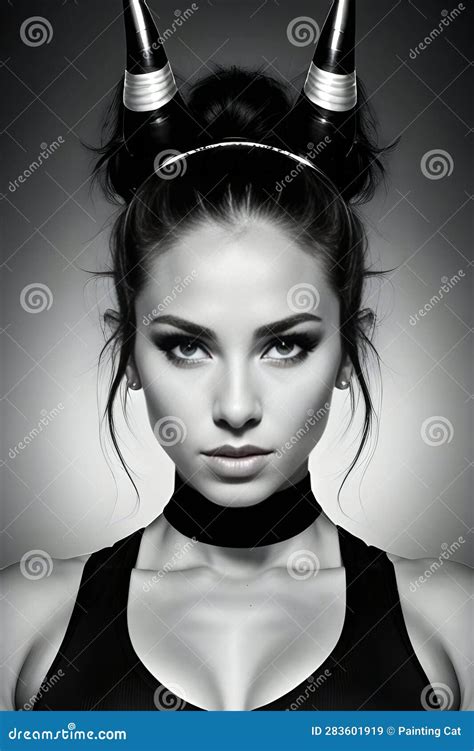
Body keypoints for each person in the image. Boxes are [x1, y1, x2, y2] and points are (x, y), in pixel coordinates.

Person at [1, 0, 471, 712]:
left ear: (348, 349)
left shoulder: (454, 626)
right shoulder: (21, 627)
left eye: (286, 343)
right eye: (187, 345)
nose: (237, 407)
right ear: (128, 350)